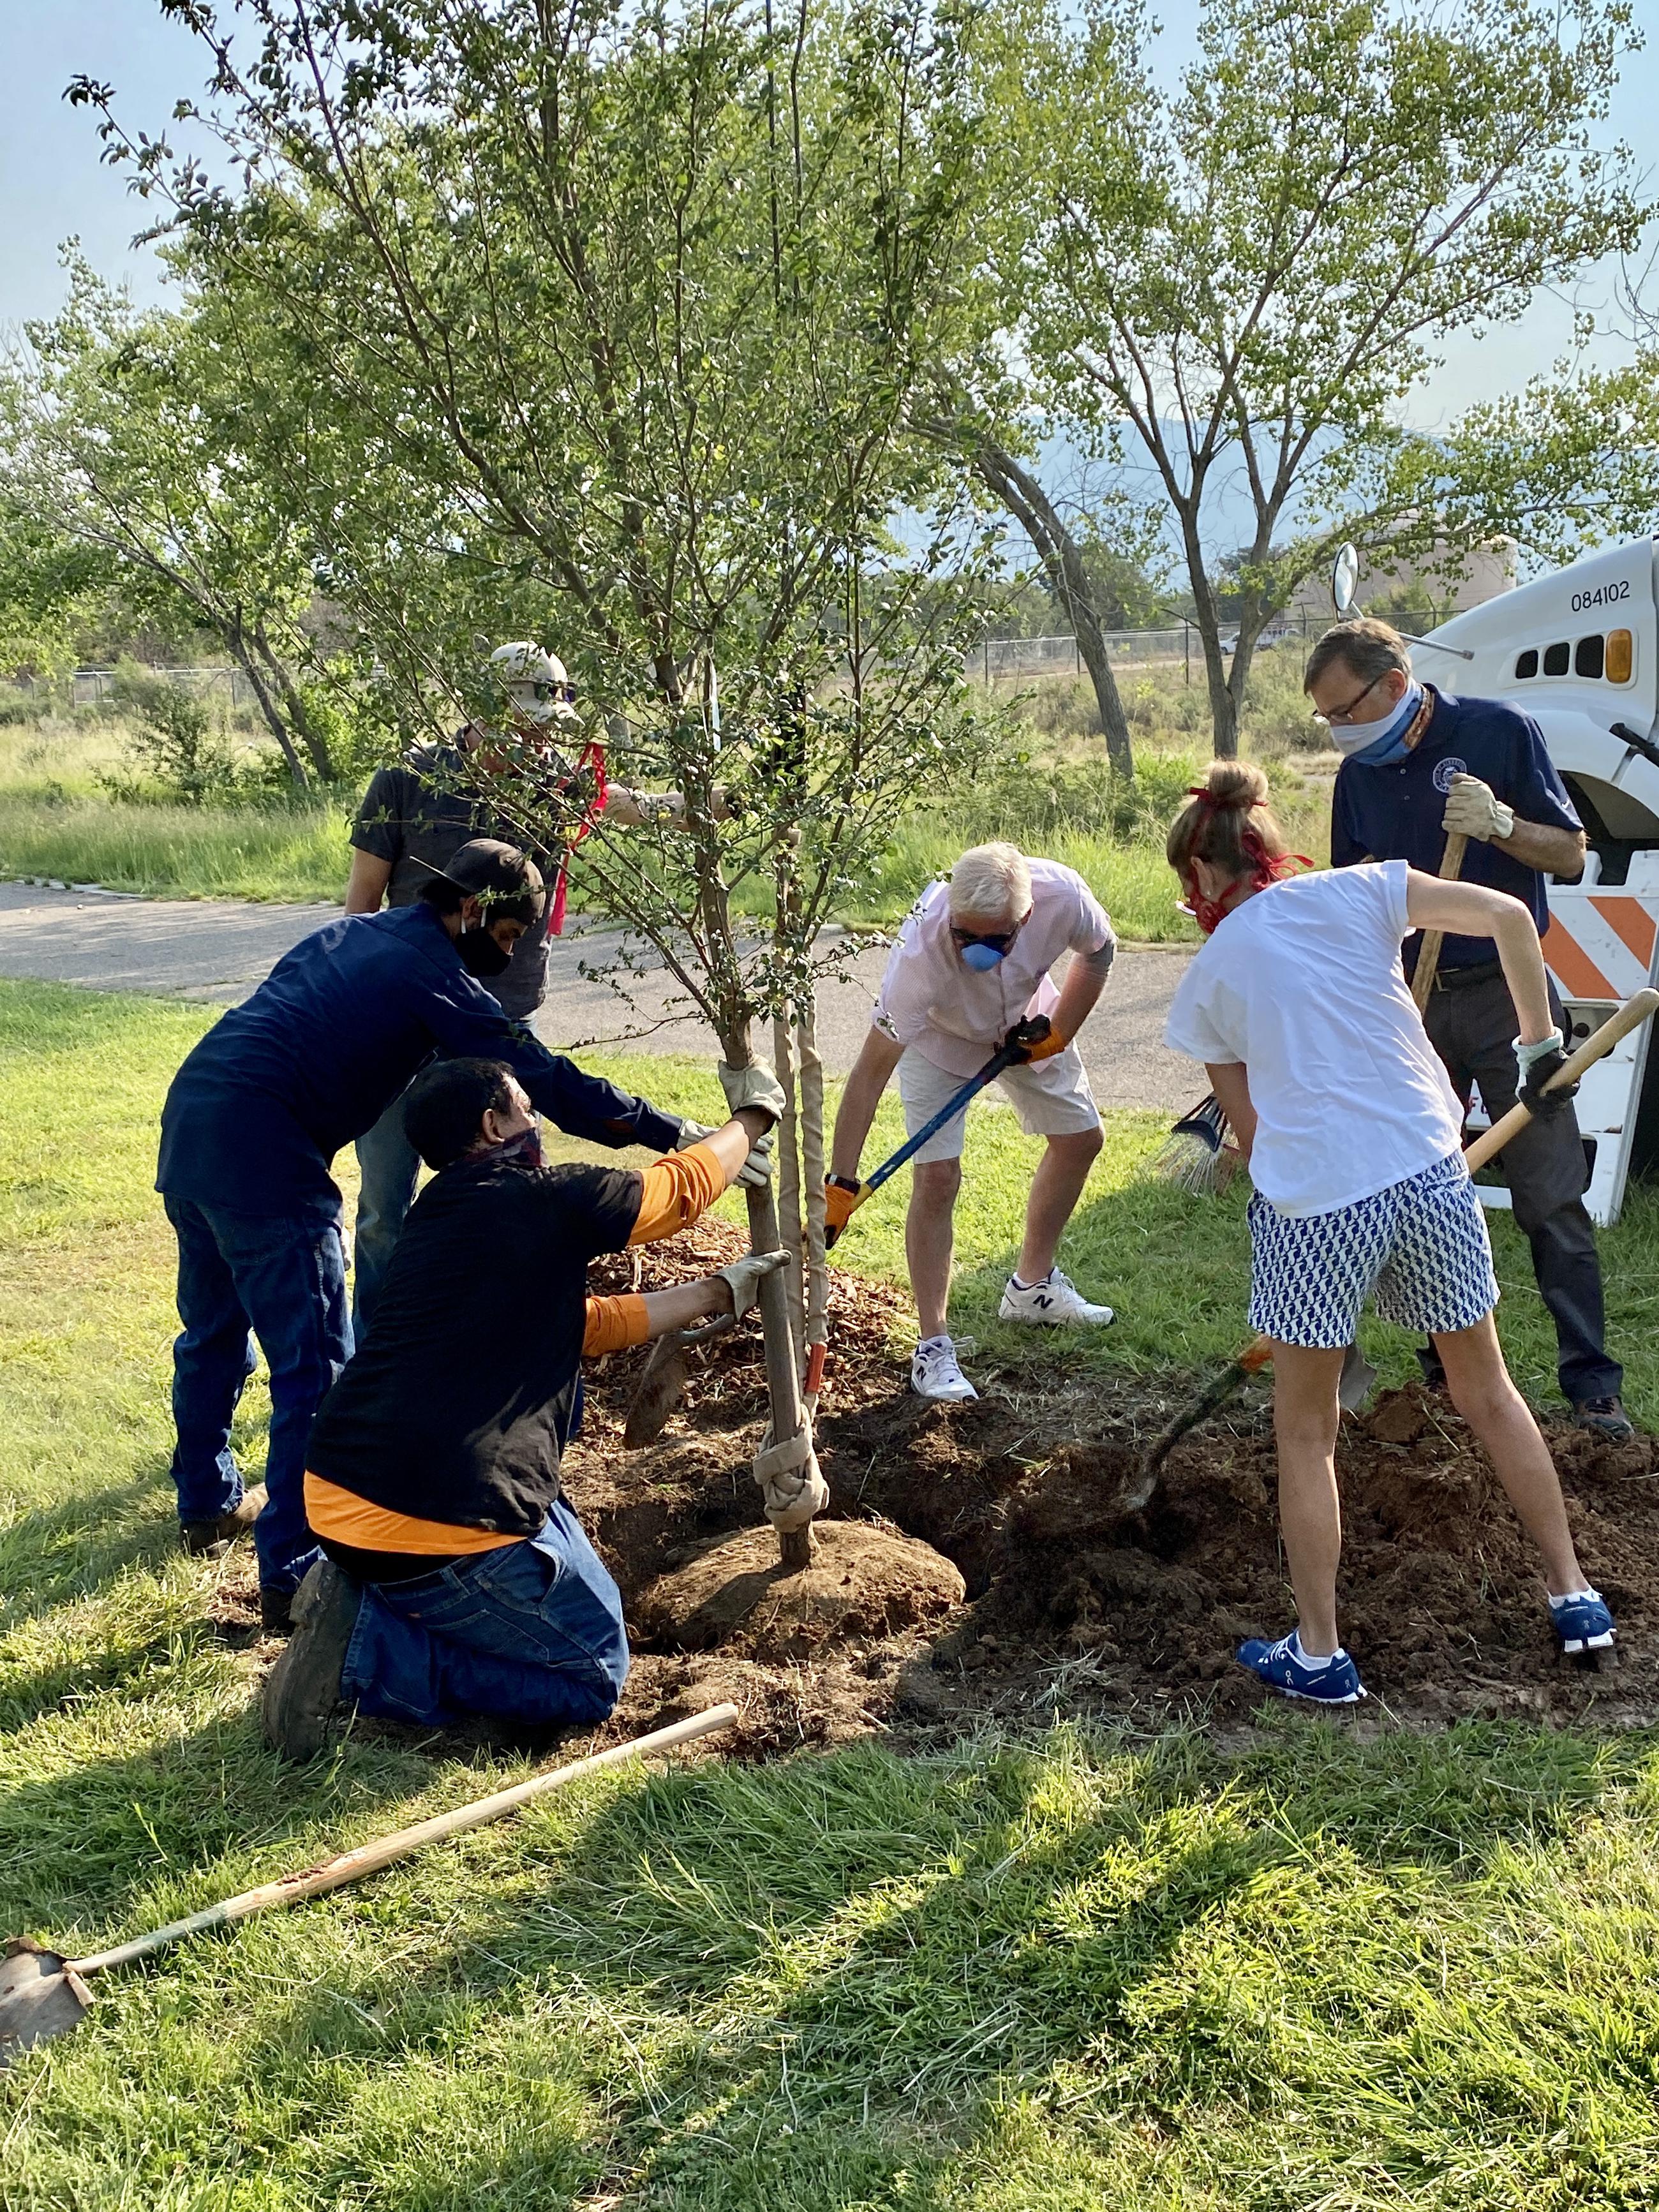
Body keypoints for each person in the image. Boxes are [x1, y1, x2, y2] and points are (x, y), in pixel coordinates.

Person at [157, 837, 704, 1633]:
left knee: (210, 1330)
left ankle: (204, 1502)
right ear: (474, 908)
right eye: (510, 934)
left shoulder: (351, 935)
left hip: (194, 1125)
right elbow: (534, 1071)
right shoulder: (429, 971)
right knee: (314, 1366)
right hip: (267, 1159)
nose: (508, 952)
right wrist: (668, 1130)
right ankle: (294, 1575)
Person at [1163, 761, 1616, 1705]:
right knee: (1487, 1388)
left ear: (1201, 879)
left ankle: (1321, 1653)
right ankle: (1574, 1593)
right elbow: (1508, 916)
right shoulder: (1361, 887)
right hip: (1429, 1167)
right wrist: (1538, 1049)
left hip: (1318, 1203)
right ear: (1264, 844)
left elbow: (1249, 1138)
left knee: (1307, 1429)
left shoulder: (1209, 979)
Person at [260, 1053, 787, 1759]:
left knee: (552, 1528)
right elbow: (677, 1194)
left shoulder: (441, 1213)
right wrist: (752, 1120)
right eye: (524, 1106)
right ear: (491, 1122)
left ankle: (371, 1591)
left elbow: (579, 1323)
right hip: (430, 1514)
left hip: (344, 1488)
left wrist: (713, 1294)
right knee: (594, 1671)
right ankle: (365, 1651)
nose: (534, 1119)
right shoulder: (540, 1198)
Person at [345, 641, 730, 1338]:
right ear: (484, 710)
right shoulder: (407, 779)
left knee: (520, 1196)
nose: (535, 741)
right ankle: (380, 1346)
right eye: (522, 724)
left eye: (546, 729)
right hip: (402, 1028)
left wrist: (718, 802)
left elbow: (639, 807)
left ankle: (505, 1336)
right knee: (384, 1210)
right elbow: (360, 908)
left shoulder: (556, 781)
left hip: (499, 1023)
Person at [1307, 618, 1630, 1441]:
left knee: (1549, 1190)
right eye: (1327, 719)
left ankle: (1592, 1386)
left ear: (1391, 683)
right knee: (1418, 1189)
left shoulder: (1497, 732)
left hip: (1504, 996)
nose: (1340, 730)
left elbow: (1566, 854)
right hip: (1409, 1004)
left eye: (1344, 709)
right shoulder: (1359, 776)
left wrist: (1501, 826)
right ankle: (1440, 1371)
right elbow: (1351, 899)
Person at [825, 841, 1118, 1402]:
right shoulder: (921, 954)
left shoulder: (1063, 896)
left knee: (1082, 1140)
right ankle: (933, 1347)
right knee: (938, 1180)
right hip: (940, 1042)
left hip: (1029, 1027)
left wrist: (1059, 1031)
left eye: (998, 939)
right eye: (966, 936)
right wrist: (840, 1182)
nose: (977, 951)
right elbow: (869, 1074)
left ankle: (1031, 1289)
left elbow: (1099, 953)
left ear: (1026, 917)